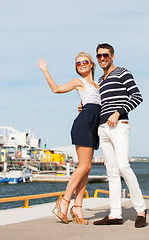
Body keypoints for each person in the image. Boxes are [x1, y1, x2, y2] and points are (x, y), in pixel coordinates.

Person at [36, 52, 101, 225]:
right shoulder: (79, 82)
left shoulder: (99, 84)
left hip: (94, 127)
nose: (81, 65)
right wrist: (45, 70)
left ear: (91, 64)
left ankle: (78, 208)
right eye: (78, 64)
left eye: (84, 62)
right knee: (84, 166)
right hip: (84, 124)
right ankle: (64, 202)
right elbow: (56, 89)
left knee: (86, 170)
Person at [93, 43, 147, 228]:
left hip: (119, 125)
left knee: (123, 166)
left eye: (105, 55)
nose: (102, 59)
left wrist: (118, 112)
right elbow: (102, 103)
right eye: (99, 56)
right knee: (112, 172)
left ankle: (141, 209)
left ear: (112, 56)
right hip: (103, 128)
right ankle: (115, 214)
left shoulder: (122, 72)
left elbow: (137, 96)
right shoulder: (100, 80)